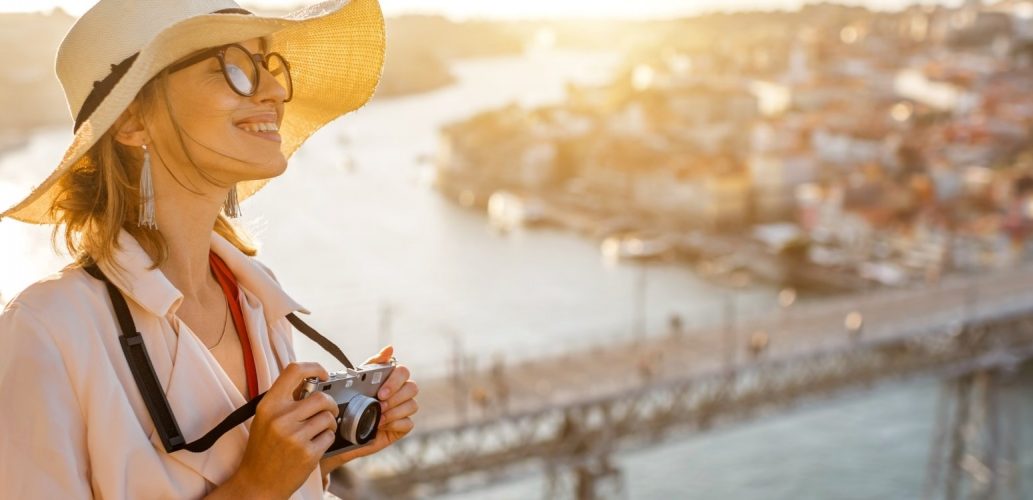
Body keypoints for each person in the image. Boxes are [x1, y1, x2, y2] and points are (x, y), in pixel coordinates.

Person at [0, 0, 419, 498]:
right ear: (133, 121)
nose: (275, 90)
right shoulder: (46, 329)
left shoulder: (257, 298)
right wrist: (257, 485)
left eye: (269, 66)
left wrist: (317, 457)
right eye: (234, 67)